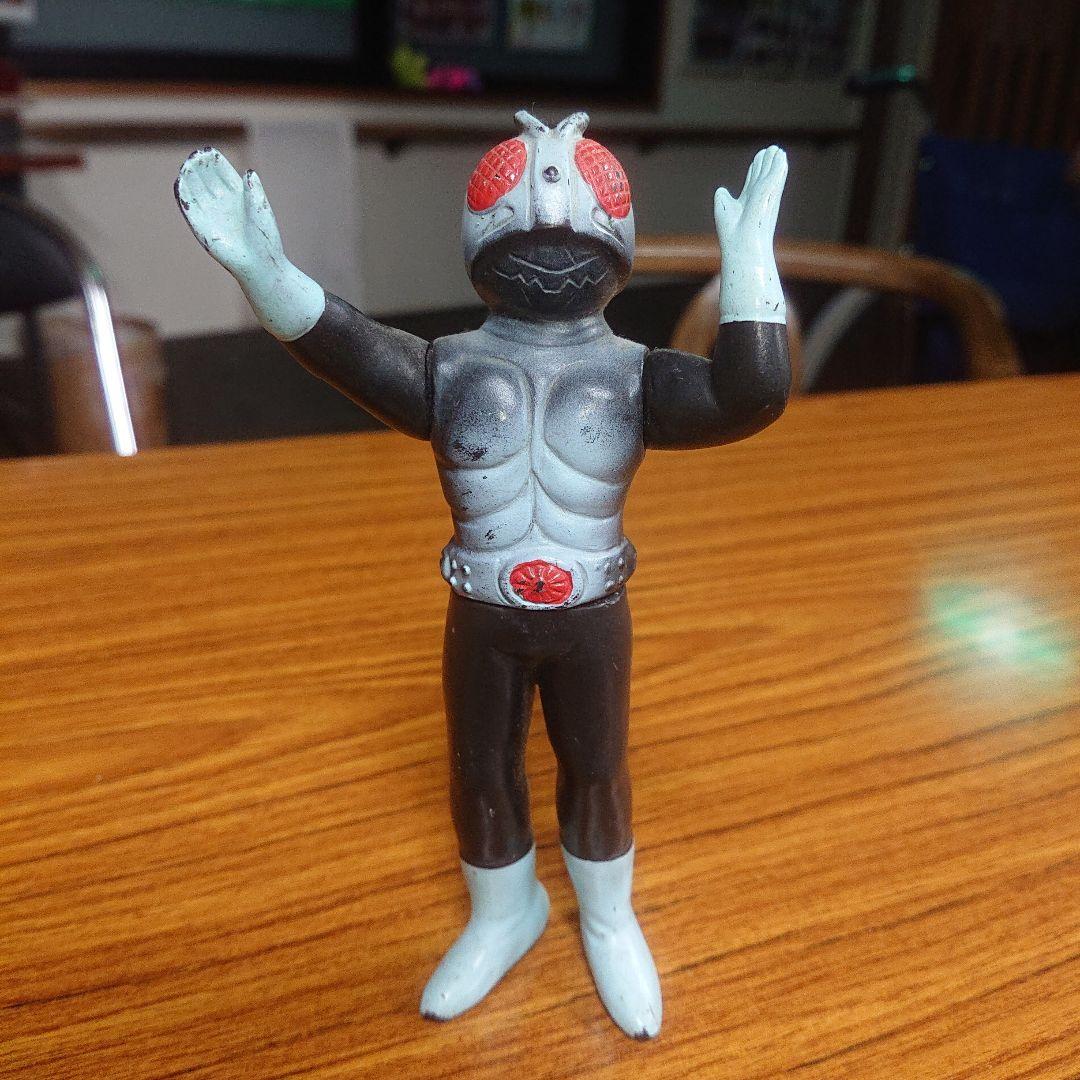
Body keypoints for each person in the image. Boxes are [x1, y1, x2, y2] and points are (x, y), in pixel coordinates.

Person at [175, 110, 789, 1039]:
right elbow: (345, 344)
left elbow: (751, 393)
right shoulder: (448, 368)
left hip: (591, 611)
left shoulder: (635, 377)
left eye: (578, 199)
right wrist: (265, 272)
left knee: (598, 770)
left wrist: (747, 261)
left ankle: (608, 917)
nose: (548, 216)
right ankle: (506, 914)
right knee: (480, 773)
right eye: (518, 196)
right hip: (483, 612)